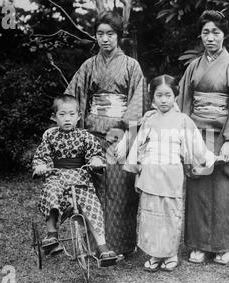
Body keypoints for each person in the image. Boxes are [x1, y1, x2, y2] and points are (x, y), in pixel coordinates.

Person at [64, 11, 146, 259]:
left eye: (110, 34)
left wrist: (125, 134)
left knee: (119, 190)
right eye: (100, 34)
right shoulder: (88, 66)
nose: (105, 39)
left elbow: (137, 103)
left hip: (119, 136)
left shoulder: (132, 66)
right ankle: (95, 245)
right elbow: (73, 98)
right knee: (92, 191)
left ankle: (120, 246)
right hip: (91, 135)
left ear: (119, 36)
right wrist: (73, 132)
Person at [177, 10, 229, 265]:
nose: (210, 37)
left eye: (216, 32)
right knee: (198, 190)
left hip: (222, 135)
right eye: (206, 32)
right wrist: (183, 136)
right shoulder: (193, 67)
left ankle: (222, 246)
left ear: (224, 35)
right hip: (197, 134)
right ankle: (198, 245)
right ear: (200, 35)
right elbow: (184, 103)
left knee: (224, 191)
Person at [124, 75, 218, 272]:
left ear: (175, 96)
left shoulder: (183, 120)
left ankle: (170, 253)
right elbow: (139, 147)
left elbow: (196, 146)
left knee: (170, 213)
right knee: (150, 214)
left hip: (171, 173)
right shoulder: (149, 120)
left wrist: (210, 158)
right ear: (153, 98)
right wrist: (136, 168)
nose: (164, 100)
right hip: (150, 172)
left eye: (168, 95)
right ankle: (154, 254)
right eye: (159, 95)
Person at [32, 94, 116, 261]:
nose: (67, 119)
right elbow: (42, 155)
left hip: (80, 178)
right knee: (50, 191)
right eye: (62, 115)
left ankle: (102, 247)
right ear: (54, 117)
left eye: (71, 114)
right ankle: (52, 234)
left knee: (93, 205)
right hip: (57, 176)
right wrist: (40, 166)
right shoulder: (50, 136)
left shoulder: (85, 136)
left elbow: (94, 153)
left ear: (79, 116)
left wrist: (96, 161)